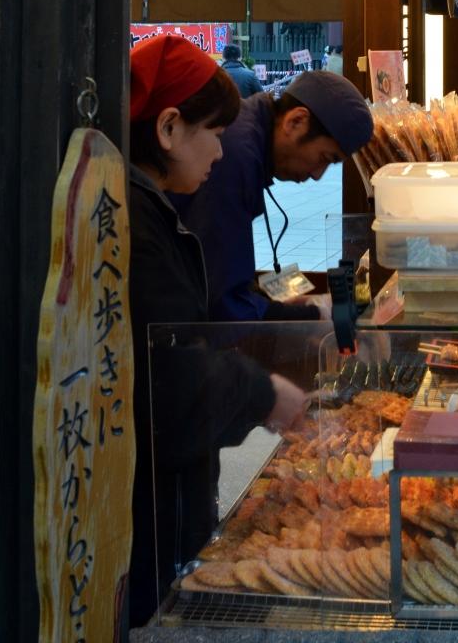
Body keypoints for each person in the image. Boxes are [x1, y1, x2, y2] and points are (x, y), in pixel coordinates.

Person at [127, 34, 309, 624]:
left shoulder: (153, 207)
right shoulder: (138, 222)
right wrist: (262, 392)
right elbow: (170, 375)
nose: (221, 153)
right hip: (146, 516)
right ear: (170, 128)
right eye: (213, 134)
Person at [178, 70, 374, 321]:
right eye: (325, 158)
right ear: (295, 122)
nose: (317, 175)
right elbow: (222, 301)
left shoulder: (250, 135)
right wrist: (314, 316)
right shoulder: (235, 154)